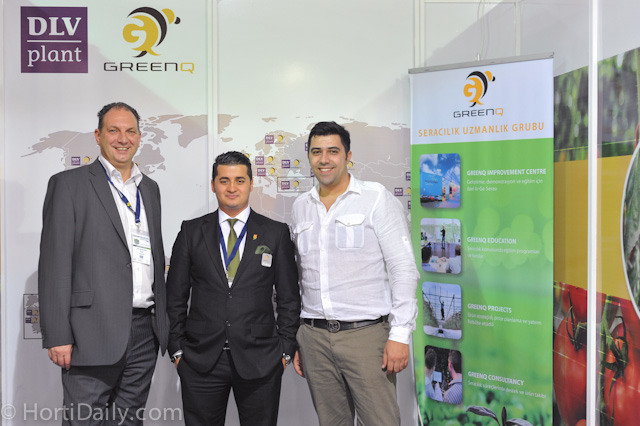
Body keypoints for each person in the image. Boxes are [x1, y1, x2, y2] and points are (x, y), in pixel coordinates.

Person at [38, 102, 168, 425]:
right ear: (98, 136)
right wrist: (57, 334)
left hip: (144, 331)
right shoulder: (69, 184)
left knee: (128, 420)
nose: (123, 139)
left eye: (130, 131)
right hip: (90, 330)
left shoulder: (150, 189)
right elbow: (54, 264)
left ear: (139, 137)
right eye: (114, 130)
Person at [291, 121, 419, 426]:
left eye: (333, 151)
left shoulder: (375, 198)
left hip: (366, 336)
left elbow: (403, 268)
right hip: (314, 337)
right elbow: (302, 276)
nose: (324, 159)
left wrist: (400, 334)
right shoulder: (301, 207)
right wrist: (300, 338)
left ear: (348, 156)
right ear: (309, 156)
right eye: (317, 152)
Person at [166, 151, 300, 426]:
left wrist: (285, 350)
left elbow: (289, 297)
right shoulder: (191, 231)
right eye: (224, 180)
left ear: (251, 184)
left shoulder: (275, 233)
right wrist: (177, 350)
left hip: (261, 359)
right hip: (201, 360)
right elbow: (175, 296)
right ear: (213, 184)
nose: (232, 188)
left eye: (239, 180)